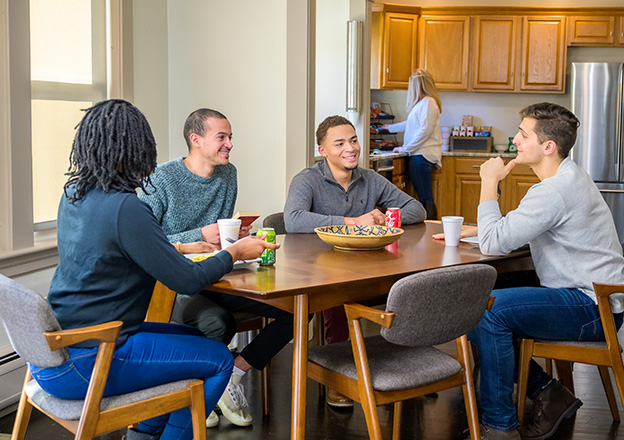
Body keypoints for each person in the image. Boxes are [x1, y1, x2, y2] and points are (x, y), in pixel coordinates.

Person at [32, 99, 278, 440]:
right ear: (135, 149)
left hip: (55, 353)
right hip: (94, 357)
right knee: (219, 360)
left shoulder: (73, 193)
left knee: (196, 339)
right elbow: (186, 279)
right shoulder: (126, 209)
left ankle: (146, 435)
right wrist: (234, 252)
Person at [436, 103, 624, 440]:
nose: (515, 141)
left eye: (523, 135)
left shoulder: (553, 192)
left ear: (548, 147)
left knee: (487, 311)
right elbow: (515, 231)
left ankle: (499, 427)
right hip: (593, 299)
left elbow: (497, 242)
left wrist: (489, 181)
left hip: (590, 308)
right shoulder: (570, 175)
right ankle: (549, 393)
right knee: (478, 300)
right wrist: (484, 230)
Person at [139, 108, 294, 428]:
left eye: (230, 137)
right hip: (172, 284)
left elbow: (221, 239)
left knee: (293, 309)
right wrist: (198, 237)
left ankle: (229, 377)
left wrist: (237, 241)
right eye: (221, 137)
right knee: (217, 323)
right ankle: (198, 392)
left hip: (219, 276)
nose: (229, 144)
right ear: (195, 140)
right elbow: (142, 243)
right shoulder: (162, 178)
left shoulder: (228, 174)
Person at [284, 114, 426, 407]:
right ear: (323, 151)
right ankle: (341, 380)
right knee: (337, 298)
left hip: (370, 265)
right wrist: (353, 221)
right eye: (340, 143)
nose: (350, 148)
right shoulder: (307, 180)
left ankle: (411, 368)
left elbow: (416, 209)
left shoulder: (370, 178)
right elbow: (293, 219)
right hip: (321, 269)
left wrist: (382, 218)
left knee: (413, 287)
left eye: (353, 140)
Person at [382, 69, 442, 220]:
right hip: (419, 155)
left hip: (421, 156)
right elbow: (411, 124)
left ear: (418, 85)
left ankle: (430, 228)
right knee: (423, 196)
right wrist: (388, 128)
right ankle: (429, 229)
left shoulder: (428, 102)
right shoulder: (424, 103)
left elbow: (425, 130)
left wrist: (405, 148)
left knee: (425, 197)